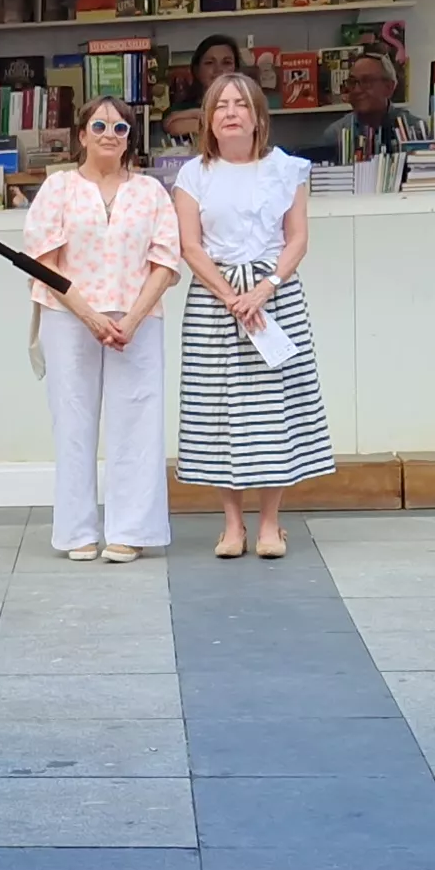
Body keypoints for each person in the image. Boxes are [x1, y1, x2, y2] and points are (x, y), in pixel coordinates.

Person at [169, 71, 335, 558]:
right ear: (208, 120)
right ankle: (232, 523)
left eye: (240, 104)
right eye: (220, 106)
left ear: (259, 115)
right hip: (214, 300)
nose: (231, 114)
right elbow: (190, 245)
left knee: (274, 409)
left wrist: (266, 287)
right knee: (219, 411)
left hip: (274, 294)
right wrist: (228, 295)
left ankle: (270, 523)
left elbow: (297, 237)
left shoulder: (287, 169)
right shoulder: (193, 174)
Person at [29, 98, 183, 562]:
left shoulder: (151, 193)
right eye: (98, 124)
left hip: (138, 318)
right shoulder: (57, 188)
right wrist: (91, 317)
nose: (108, 133)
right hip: (67, 316)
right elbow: (43, 259)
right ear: (81, 134)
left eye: (119, 127)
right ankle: (77, 531)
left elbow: (165, 259)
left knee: (138, 419)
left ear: (129, 137)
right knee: (73, 419)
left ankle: (130, 529)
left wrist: (131, 318)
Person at [314, 48, 420, 163]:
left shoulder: (414, 130)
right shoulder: (335, 134)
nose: (357, 90)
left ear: (389, 87)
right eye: (352, 82)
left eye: (367, 82)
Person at [163, 32, 243, 147]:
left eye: (226, 63)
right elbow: (173, 126)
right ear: (196, 70)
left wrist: (197, 118)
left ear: (236, 70)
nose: (218, 69)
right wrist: (199, 113)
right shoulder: (178, 107)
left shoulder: (246, 107)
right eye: (209, 63)